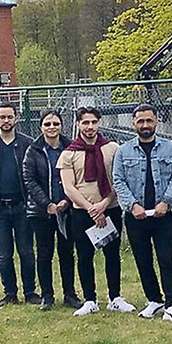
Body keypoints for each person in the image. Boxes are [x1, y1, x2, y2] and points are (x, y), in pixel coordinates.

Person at [112, 104, 172, 323]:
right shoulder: (123, 151)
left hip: (161, 215)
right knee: (142, 260)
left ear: (156, 121)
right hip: (136, 216)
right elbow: (118, 180)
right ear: (134, 123)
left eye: (149, 120)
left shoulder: (170, 149)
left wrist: (167, 202)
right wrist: (131, 205)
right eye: (140, 121)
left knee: (165, 259)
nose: (145, 125)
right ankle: (154, 299)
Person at [58, 107, 135, 317]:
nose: (90, 127)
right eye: (85, 123)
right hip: (82, 213)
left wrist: (104, 204)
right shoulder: (69, 153)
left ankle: (115, 297)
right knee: (84, 256)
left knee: (112, 255)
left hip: (110, 209)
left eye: (93, 122)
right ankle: (90, 299)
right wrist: (91, 208)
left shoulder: (112, 148)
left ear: (99, 123)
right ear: (78, 125)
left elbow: (119, 180)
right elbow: (69, 187)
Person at [0, 102, 39, 306]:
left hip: (23, 206)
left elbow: (36, 174)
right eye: (2, 117)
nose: (6, 121)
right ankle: (10, 293)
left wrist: (33, 201)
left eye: (10, 117)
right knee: (4, 254)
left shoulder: (28, 144)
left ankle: (31, 292)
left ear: (17, 118)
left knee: (26, 251)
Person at [22, 110, 79, 311]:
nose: (52, 127)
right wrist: (48, 204)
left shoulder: (72, 147)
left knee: (67, 253)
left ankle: (70, 294)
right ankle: (47, 296)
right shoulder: (33, 149)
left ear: (61, 125)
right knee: (44, 253)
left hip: (67, 209)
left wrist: (66, 201)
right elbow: (29, 180)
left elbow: (78, 177)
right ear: (41, 127)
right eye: (47, 124)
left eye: (55, 123)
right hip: (41, 212)